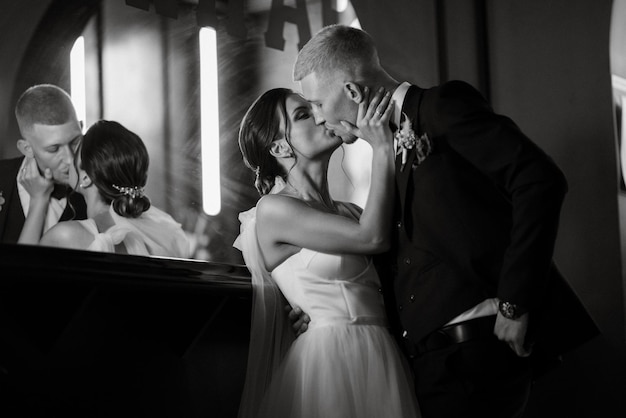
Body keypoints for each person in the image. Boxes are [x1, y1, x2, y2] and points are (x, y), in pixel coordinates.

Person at [291, 24, 599, 418]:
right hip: (427, 367)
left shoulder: (441, 107)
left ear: (352, 91)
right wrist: (324, 305)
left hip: (475, 355)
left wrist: (515, 302)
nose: (318, 118)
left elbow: (540, 180)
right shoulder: (383, 153)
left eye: (316, 103)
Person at [234, 87, 420, 418]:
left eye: (316, 107)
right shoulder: (274, 210)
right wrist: (380, 147)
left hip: (383, 355)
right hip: (329, 360)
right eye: (304, 115)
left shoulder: (350, 212)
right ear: (279, 147)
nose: (322, 116)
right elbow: (373, 238)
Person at [24, 120, 190, 258]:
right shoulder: (163, 232)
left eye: (75, 153)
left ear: (86, 177)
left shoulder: (65, 236)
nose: (68, 160)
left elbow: (17, 280)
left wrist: (38, 200)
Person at [0, 84, 87, 243]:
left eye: (75, 142)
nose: (69, 158)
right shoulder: (3, 177)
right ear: (27, 148)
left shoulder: (100, 183)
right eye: (54, 149)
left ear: (81, 128)